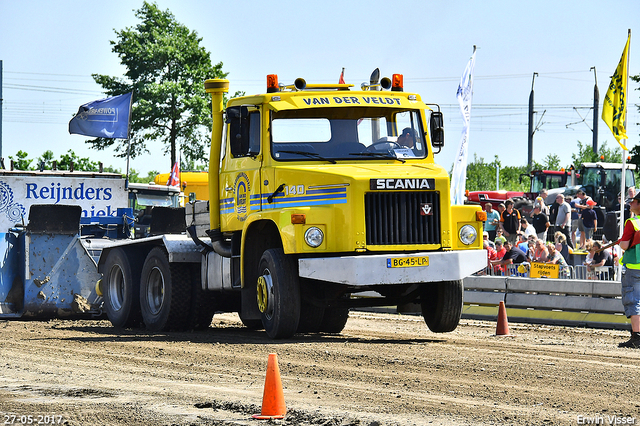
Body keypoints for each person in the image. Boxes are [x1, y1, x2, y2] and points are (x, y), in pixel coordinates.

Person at [617, 192, 640, 348]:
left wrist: (621, 242)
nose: (630, 204)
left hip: (634, 267)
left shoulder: (633, 222)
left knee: (633, 300)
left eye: (632, 202)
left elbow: (624, 245)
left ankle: (636, 336)